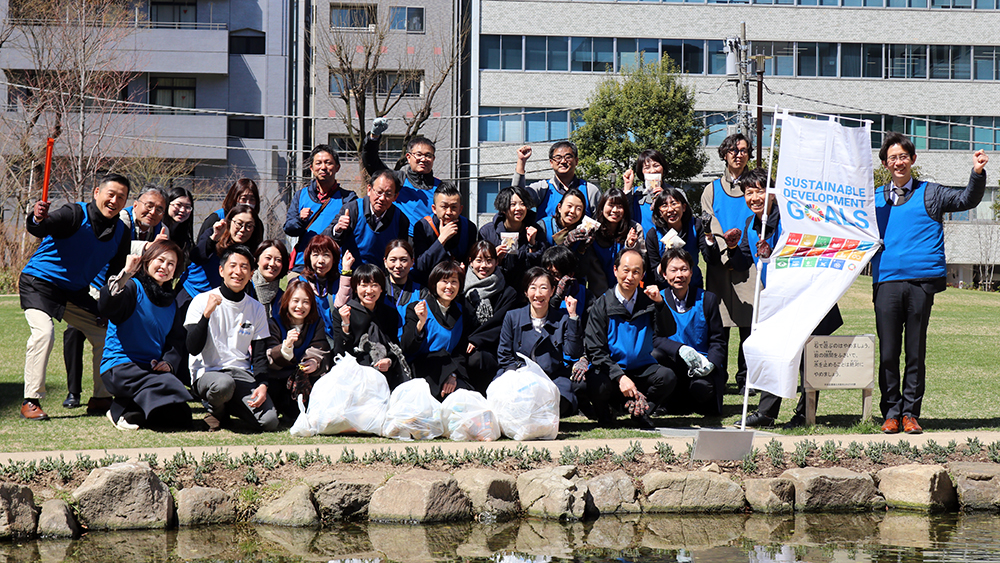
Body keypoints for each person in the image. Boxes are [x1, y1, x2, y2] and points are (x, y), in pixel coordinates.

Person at [871, 133, 988, 435]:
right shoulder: (873, 200)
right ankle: (891, 412)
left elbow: (966, 199)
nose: (898, 162)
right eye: (892, 158)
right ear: (885, 163)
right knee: (887, 352)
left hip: (921, 283)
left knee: (915, 351)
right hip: (886, 283)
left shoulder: (932, 193)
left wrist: (976, 173)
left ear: (912, 159)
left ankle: (910, 413)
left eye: (903, 156)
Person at [723, 168, 843, 428]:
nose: (754, 197)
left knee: (805, 360)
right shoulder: (749, 224)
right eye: (748, 192)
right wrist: (732, 248)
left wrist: (776, 252)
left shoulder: (791, 219)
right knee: (774, 353)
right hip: (778, 302)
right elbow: (744, 262)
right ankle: (767, 413)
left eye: (759, 190)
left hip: (807, 297)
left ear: (773, 192)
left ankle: (804, 414)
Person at [19, 173, 132, 420]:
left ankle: (101, 397)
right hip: (39, 282)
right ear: (96, 193)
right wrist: (37, 216)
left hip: (74, 291)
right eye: (110, 194)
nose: (114, 200)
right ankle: (31, 400)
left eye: (120, 197)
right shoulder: (74, 213)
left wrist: (107, 309)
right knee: (44, 333)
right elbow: (40, 227)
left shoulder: (122, 232)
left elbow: (113, 276)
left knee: (104, 333)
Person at [62, 185, 171, 410]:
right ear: (136, 204)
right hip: (96, 284)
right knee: (74, 332)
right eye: (149, 206)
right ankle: (73, 391)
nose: (153, 212)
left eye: (160, 209)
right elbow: (113, 246)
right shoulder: (121, 219)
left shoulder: (160, 229)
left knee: (106, 336)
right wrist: (148, 247)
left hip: (130, 291)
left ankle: (101, 395)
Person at [98, 240, 193, 430]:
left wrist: (168, 363)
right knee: (168, 385)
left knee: (181, 415)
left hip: (150, 370)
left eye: (171, 264)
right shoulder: (132, 287)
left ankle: (125, 409)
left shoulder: (172, 304)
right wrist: (125, 273)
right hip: (121, 367)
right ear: (148, 261)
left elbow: (174, 342)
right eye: (161, 260)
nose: (164, 267)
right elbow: (107, 307)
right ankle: (120, 408)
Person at [184, 245, 277, 432]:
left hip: (241, 375)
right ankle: (217, 411)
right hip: (208, 373)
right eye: (232, 265)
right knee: (224, 385)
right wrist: (206, 315)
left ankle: (228, 406)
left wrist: (262, 385)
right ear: (221, 270)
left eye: (244, 267)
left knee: (269, 421)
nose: (238, 272)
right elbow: (193, 347)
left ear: (251, 274)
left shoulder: (256, 308)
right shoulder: (202, 301)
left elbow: (259, 356)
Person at [584, 249, 676, 429]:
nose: (630, 276)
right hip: (612, 372)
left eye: (636, 271)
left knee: (667, 377)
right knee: (592, 383)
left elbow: (667, 330)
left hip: (642, 369)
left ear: (642, 274)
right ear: (615, 270)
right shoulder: (602, 304)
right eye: (625, 270)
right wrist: (619, 376)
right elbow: (594, 350)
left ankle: (641, 412)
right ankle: (606, 414)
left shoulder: (648, 301)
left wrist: (660, 304)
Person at [701, 133, 756, 396]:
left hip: (749, 267)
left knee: (750, 328)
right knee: (719, 328)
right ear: (724, 154)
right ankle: (718, 379)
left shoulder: (756, 187)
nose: (738, 154)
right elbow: (710, 225)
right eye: (733, 150)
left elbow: (758, 223)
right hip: (720, 267)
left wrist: (741, 255)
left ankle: (747, 380)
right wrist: (727, 254)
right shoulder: (711, 189)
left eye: (744, 150)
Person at [497, 267, 583, 417]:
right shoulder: (512, 317)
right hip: (518, 376)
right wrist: (521, 377)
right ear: (525, 292)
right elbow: (504, 355)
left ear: (552, 291)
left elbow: (573, 352)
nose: (538, 294)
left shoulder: (562, 319)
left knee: (563, 399)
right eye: (533, 288)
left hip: (551, 377)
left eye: (544, 288)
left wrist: (573, 317)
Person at [653, 249, 727, 418]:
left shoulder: (708, 299)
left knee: (702, 390)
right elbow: (656, 339)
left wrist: (711, 364)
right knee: (655, 356)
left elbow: (718, 340)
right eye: (673, 270)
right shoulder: (658, 300)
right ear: (664, 274)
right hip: (673, 363)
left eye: (684, 269)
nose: (679, 275)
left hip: (701, 365)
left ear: (691, 272)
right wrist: (680, 349)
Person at [363, 118, 455, 236]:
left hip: (430, 243)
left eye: (428, 155)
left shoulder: (442, 187)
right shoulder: (397, 180)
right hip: (398, 241)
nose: (423, 159)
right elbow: (372, 163)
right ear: (408, 157)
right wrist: (373, 138)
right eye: (419, 154)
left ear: (433, 159)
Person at [179, 179, 264, 305]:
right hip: (196, 291)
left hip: (225, 298)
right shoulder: (217, 221)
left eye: (252, 199)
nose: (247, 203)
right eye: (243, 198)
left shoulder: (256, 227)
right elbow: (197, 255)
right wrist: (213, 238)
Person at [402, 260, 474, 400]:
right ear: (434, 284)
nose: (449, 286)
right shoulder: (417, 308)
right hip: (424, 368)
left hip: (450, 367)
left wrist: (453, 375)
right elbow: (407, 347)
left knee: (463, 394)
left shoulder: (462, 312)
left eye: (454, 281)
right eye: (444, 281)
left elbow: (460, 351)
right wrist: (420, 324)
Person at [332, 264, 408, 389]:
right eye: (364, 285)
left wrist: (389, 361)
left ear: (381, 288)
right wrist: (345, 324)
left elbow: (394, 345)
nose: (369, 290)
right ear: (355, 288)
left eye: (374, 285)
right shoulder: (343, 312)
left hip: (383, 376)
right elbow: (339, 352)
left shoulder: (389, 313)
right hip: (354, 377)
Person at [264, 279, 331, 420]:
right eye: (295, 301)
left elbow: (319, 348)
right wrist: (286, 347)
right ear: (287, 301)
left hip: (302, 381)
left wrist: (313, 362)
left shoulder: (316, 323)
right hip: (277, 380)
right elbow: (268, 356)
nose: (300, 306)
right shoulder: (274, 323)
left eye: (306, 302)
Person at [284, 145, 358, 271]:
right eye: (318, 163)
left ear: (337, 168)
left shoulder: (348, 198)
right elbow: (289, 228)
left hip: (335, 266)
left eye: (328, 163)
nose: (323, 167)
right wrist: (300, 219)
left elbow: (350, 232)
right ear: (312, 168)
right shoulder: (301, 195)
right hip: (303, 264)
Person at [464, 241, 521, 393]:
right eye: (479, 260)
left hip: (494, 348)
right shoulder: (460, 288)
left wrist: (476, 339)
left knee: (478, 358)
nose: (484, 266)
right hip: (465, 346)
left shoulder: (508, 292)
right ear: (470, 261)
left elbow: (500, 323)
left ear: (497, 262)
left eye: (489, 261)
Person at [326, 169, 409, 267]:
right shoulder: (353, 209)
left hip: (380, 277)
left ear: (395, 197)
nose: (382, 198)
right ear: (369, 189)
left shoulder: (400, 219)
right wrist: (338, 229)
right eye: (379, 192)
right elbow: (326, 240)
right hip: (350, 273)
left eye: (388, 194)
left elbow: (402, 251)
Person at [644, 187, 712, 290]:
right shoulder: (653, 235)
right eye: (664, 206)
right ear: (659, 213)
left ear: (684, 207)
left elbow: (710, 258)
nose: (670, 209)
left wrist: (709, 236)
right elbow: (653, 273)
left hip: (693, 286)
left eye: (674, 203)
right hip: (665, 291)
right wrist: (665, 260)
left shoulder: (696, 226)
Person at [513, 142, 602, 221]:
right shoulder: (543, 188)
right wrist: (521, 161)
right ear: (551, 162)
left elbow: (600, 222)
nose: (563, 161)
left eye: (568, 157)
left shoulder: (590, 190)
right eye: (558, 157)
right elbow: (517, 196)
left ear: (576, 161)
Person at [479, 186, 546, 287]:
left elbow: (540, 266)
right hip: (495, 288)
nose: (518, 208)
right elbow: (478, 265)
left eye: (523, 204)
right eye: (513, 204)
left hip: (525, 290)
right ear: (503, 209)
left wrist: (533, 245)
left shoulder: (536, 231)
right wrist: (494, 258)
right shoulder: (487, 232)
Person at [581, 188, 643, 297]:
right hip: (600, 293)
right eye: (611, 205)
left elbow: (640, 262)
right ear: (602, 206)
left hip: (629, 291)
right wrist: (607, 299)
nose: (615, 210)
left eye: (619, 206)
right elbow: (594, 271)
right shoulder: (593, 230)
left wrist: (630, 246)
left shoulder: (634, 229)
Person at [187, 204, 262, 294]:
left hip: (220, 299)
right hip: (193, 291)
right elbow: (196, 257)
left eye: (249, 226)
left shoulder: (249, 250)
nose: (242, 229)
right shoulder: (214, 234)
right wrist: (213, 238)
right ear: (230, 222)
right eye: (239, 224)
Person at [412, 182, 478, 281]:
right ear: (434, 209)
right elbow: (421, 265)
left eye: (454, 207)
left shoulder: (469, 227)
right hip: (428, 284)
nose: (449, 212)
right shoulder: (423, 227)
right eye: (444, 207)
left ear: (460, 209)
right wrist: (442, 239)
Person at [292, 234, 341, 338]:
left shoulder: (341, 283)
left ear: (334, 258)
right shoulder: (300, 283)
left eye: (326, 255)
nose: (320, 261)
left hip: (336, 339)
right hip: (309, 341)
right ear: (308, 257)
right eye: (315, 255)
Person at [382, 239, 423, 339]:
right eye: (393, 260)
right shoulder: (377, 289)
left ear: (412, 262)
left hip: (411, 348)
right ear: (385, 262)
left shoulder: (422, 292)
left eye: (403, 260)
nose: (398, 265)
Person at [623, 148, 669, 233]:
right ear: (642, 172)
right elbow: (623, 217)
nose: (652, 171)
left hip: (667, 244)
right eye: (647, 167)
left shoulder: (676, 193)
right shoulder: (635, 194)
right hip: (641, 243)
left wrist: (666, 198)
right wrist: (627, 187)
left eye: (656, 165)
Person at [247, 239, 290, 314]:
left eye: (278, 260)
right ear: (257, 260)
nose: (272, 264)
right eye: (268, 258)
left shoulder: (284, 298)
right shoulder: (245, 289)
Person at [163, 187, 195, 259]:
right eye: (178, 205)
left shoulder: (186, 237)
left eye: (187, 207)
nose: (182, 210)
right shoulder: (157, 229)